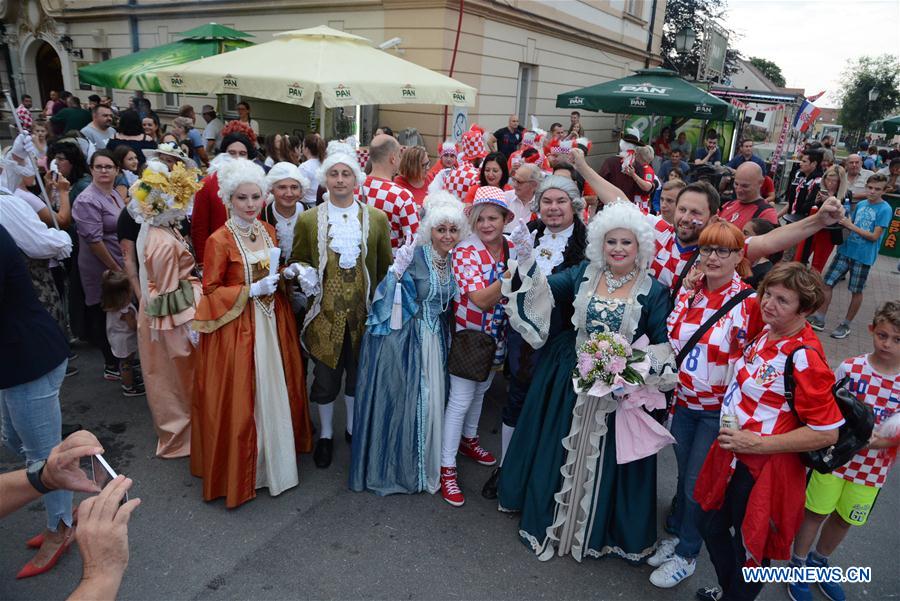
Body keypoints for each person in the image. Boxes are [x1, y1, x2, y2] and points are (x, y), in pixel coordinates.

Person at [498, 192, 676, 561]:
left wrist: (628, 366)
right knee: (557, 445)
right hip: (570, 377)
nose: (618, 247)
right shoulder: (583, 274)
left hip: (620, 388)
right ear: (600, 243)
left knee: (610, 458)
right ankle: (553, 519)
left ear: (639, 245)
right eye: (611, 240)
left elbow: (664, 344)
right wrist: (527, 261)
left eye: (626, 241)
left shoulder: (655, 291)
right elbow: (544, 291)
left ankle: (596, 529)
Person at [694, 262, 844, 601]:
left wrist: (759, 443)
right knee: (711, 526)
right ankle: (730, 593)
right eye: (768, 295)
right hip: (735, 455)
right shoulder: (768, 329)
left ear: (804, 310)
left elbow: (827, 432)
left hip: (764, 469)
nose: (769, 304)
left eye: (782, 300)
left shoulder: (805, 357)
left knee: (750, 547)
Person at [191, 159, 313, 507]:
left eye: (255, 197)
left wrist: (290, 275)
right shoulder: (219, 240)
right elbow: (211, 291)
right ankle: (248, 466)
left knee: (276, 388)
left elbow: (275, 268)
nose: (249, 204)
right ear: (229, 199)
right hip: (239, 329)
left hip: (273, 320)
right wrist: (249, 291)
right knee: (245, 396)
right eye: (242, 197)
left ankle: (276, 458)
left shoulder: (267, 231)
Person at [649, 221, 763, 589]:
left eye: (723, 250)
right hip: (682, 404)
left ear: (739, 256)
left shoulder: (749, 303)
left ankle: (687, 555)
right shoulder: (690, 291)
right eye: (707, 249)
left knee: (698, 485)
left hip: (718, 413)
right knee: (685, 479)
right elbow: (674, 340)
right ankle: (684, 538)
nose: (713, 257)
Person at [350, 192, 467, 495]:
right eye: (441, 229)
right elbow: (387, 300)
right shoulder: (414, 255)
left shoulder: (456, 260)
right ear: (430, 230)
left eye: (453, 230)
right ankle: (403, 467)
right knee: (409, 401)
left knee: (433, 401)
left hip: (437, 339)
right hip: (408, 339)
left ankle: (430, 462)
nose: (447, 236)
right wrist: (395, 274)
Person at [287, 141, 392, 469]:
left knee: (358, 376)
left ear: (356, 178)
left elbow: (384, 268)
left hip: (362, 316)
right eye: (334, 174)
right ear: (325, 178)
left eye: (346, 173)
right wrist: (302, 274)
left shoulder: (376, 219)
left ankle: (350, 428)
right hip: (325, 315)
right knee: (325, 380)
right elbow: (298, 259)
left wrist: (381, 307)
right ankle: (327, 435)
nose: (340, 180)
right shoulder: (308, 220)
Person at [482, 175, 587, 499]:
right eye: (547, 202)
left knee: (552, 407)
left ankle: (542, 477)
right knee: (516, 399)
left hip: (561, 340)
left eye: (560, 201)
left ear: (574, 206)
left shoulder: (589, 245)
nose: (553, 208)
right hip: (522, 337)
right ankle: (507, 466)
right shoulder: (525, 236)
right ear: (537, 205)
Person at [788, 301, 900, 601]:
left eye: (897, 339)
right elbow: (826, 408)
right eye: (883, 335)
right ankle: (797, 566)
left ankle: (819, 562)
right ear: (871, 330)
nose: (887, 343)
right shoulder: (851, 368)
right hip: (833, 461)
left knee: (845, 518)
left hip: (872, 470)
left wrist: (876, 443)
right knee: (815, 513)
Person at [0, 223, 74, 578]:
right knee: (15, 440)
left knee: (43, 456)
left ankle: (60, 528)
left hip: (29, 357)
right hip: (13, 360)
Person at [440, 187, 516, 506]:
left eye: (493, 218)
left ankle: (469, 440)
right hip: (470, 335)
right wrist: (514, 276)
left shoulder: (512, 247)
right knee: (460, 398)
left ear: (505, 219)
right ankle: (446, 469)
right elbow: (481, 300)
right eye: (480, 218)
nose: (486, 224)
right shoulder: (465, 251)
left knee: (483, 389)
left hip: (499, 335)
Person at [128, 159, 203, 459]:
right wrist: (187, 329)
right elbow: (167, 291)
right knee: (175, 376)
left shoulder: (164, 230)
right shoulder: (159, 239)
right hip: (172, 319)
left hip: (174, 311)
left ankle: (190, 429)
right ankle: (182, 435)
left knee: (178, 377)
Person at [808, 173, 892, 340]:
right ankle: (820, 318)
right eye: (870, 188)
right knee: (827, 283)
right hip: (845, 251)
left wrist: (849, 225)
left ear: (884, 191)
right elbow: (848, 223)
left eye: (877, 189)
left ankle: (846, 324)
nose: (872, 192)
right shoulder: (861, 204)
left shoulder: (885, 209)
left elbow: (874, 236)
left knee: (856, 290)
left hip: (863, 256)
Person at [71, 150, 126, 380]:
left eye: (108, 166)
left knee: (121, 312)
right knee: (106, 313)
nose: (104, 171)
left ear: (117, 170)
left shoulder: (114, 193)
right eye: (99, 166)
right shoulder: (86, 199)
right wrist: (116, 268)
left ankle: (123, 359)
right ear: (91, 169)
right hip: (101, 266)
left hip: (119, 260)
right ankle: (112, 364)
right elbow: (94, 240)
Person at [192, 133, 257, 266]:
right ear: (223, 155)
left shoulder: (257, 183)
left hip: (250, 256)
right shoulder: (207, 184)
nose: (237, 158)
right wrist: (203, 263)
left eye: (242, 153)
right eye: (232, 153)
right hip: (217, 258)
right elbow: (199, 228)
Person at [360, 134, 420, 251]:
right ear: (393, 158)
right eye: (399, 156)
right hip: (390, 266)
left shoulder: (353, 188)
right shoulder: (402, 196)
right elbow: (414, 242)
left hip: (357, 264)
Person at [100, 270, 143, 397]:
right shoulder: (126, 310)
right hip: (125, 341)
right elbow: (133, 326)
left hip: (116, 339)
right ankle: (128, 386)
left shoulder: (112, 306)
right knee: (126, 363)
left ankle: (128, 381)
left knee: (124, 361)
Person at [260, 161, 309, 265]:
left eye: (294, 187)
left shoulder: (309, 213)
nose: (289, 193)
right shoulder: (262, 216)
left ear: (301, 190)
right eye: (282, 187)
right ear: (272, 189)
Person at [718, 162, 779, 230]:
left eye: (745, 186)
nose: (739, 190)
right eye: (736, 184)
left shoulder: (766, 214)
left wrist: (728, 231)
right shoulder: (728, 204)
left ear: (760, 183)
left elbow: (766, 240)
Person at [780, 148, 824, 220]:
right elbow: (792, 201)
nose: (800, 163)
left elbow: (809, 206)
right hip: (791, 218)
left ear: (814, 164)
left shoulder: (818, 182)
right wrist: (777, 216)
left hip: (804, 222)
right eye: (801, 160)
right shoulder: (798, 175)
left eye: (804, 161)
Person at [742, 219, 779, 288]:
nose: (740, 236)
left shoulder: (766, 272)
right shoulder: (737, 257)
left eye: (745, 233)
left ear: (760, 239)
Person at [503, 162, 541, 230]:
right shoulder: (504, 198)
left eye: (519, 182)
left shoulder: (542, 204)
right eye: (514, 180)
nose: (514, 185)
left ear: (534, 185)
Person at [298, 134, 326, 209]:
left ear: (307, 149)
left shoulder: (304, 167)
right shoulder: (325, 164)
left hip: (308, 205)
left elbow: (300, 190)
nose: (302, 148)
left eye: (303, 146)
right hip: (324, 202)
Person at [627, 145, 656, 213]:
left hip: (640, 204)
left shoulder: (648, 169)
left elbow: (647, 187)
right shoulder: (634, 165)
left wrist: (633, 175)